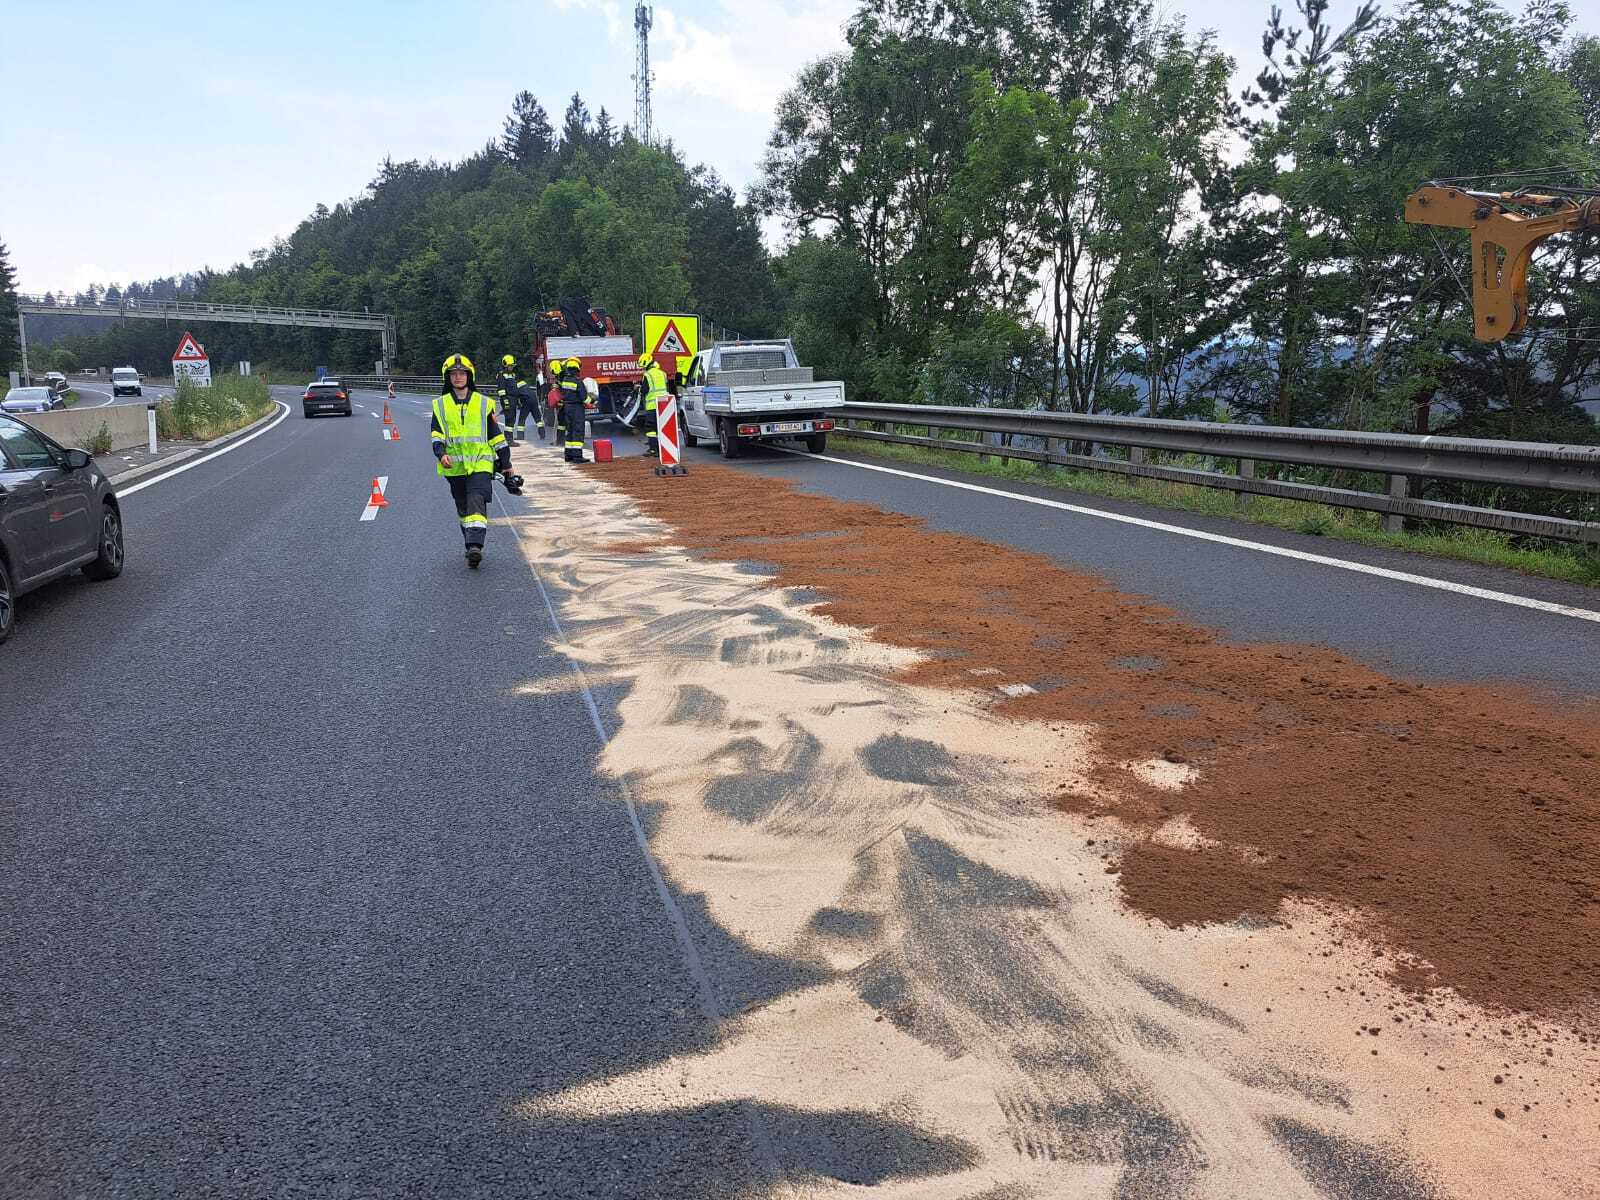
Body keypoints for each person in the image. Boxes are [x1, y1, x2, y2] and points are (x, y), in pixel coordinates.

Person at [430, 353, 521, 569]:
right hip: (454, 466)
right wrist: (441, 453)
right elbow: (436, 435)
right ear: (448, 377)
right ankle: (470, 542)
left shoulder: (483, 404)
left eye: (462, 373)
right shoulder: (440, 405)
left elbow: (496, 436)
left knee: (476, 499)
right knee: (463, 507)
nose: (458, 377)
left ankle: (475, 546)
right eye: (454, 373)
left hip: (481, 463)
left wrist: (506, 463)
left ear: (469, 376)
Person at [637, 353, 668, 457]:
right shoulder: (662, 373)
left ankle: (653, 449)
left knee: (650, 428)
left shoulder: (648, 375)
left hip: (652, 406)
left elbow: (644, 390)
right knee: (662, 427)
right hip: (664, 404)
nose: (643, 369)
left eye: (643, 367)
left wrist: (639, 389)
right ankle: (665, 449)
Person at [559, 355, 587, 463]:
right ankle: (577, 456)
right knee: (578, 430)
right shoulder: (578, 381)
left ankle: (568, 455)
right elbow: (584, 398)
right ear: (577, 369)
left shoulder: (565, 380)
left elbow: (563, 393)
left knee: (569, 430)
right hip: (576, 408)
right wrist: (593, 401)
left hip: (567, 407)